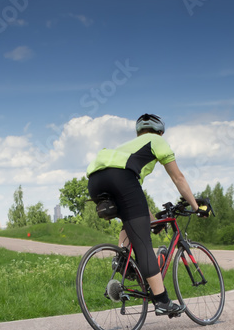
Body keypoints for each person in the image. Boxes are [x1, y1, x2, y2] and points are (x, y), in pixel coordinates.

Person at [86, 113, 200, 317]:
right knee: (143, 244)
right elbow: (178, 178)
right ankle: (162, 301)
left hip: (95, 181)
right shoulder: (157, 141)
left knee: (132, 222)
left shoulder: (125, 149)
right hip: (122, 179)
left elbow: (133, 199)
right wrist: (196, 206)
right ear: (160, 132)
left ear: (138, 132)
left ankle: (122, 259)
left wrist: (152, 220)